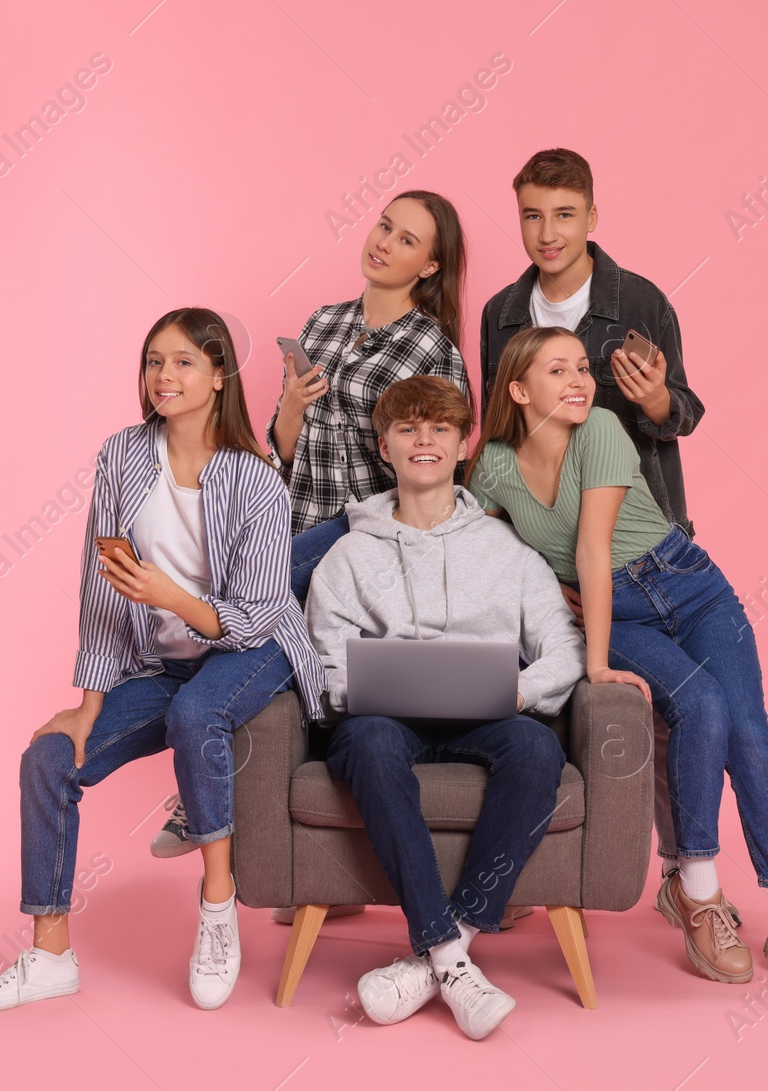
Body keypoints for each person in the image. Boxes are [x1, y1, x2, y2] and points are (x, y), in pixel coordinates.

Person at [466, 328, 768, 994]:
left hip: (690, 583)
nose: (578, 379)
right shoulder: (495, 466)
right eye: (557, 369)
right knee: (697, 704)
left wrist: (582, 636)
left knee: (751, 734)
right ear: (518, 389)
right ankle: (696, 893)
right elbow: (483, 545)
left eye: (582, 367)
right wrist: (558, 602)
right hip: (611, 608)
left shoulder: (604, 431)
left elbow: (593, 543)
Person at [0, 308, 326, 1014]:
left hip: (254, 645)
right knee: (47, 758)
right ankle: (50, 954)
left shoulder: (255, 480)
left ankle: (217, 908)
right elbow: (100, 582)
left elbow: (253, 614)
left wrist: (172, 594)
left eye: (184, 361)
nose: (165, 375)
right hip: (160, 659)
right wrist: (89, 703)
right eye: (154, 360)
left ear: (220, 376)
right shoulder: (122, 455)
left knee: (197, 712)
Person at [153, 191, 471, 866]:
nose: (384, 241)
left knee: (221, 609)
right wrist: (293, 406)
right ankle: (202, 783)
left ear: (430, 266)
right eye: (385, 225)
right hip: (298, 529)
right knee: (246, 639)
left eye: (406, 239)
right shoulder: (324, 323)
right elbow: (285, 449)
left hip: (367, 539)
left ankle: (197, 790)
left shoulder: (431, 349)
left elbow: (439, 468)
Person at [308, 377, 585, 1039]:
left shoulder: (508, 551)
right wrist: (368, 684)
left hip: (487, 714)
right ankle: (451, 958)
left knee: (537, 746)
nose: (424, 439)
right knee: (369, 742)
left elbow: (564, 648)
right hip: (382, 721)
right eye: (408, 428)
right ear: (385, 447)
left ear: (464, 445)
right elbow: (326, 659)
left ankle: (440, 952)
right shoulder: (347, 554)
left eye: (439, 429)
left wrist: (516, 691)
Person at [479, 147, 712, 893]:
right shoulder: (500, 313)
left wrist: (652, 402)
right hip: (549, 553)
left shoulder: (640, 301)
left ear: (592, 217)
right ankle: (529, 870)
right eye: (532, 215)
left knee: (671, 712)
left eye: (564, 215)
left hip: (644, 549)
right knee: (553, 690)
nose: (547, 232)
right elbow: (502, 431)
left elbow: (685, 412)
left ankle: (683, 873)